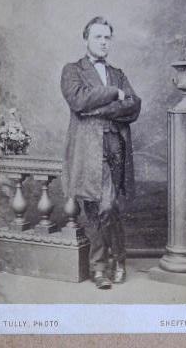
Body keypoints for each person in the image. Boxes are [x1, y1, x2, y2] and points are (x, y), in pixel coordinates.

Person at [61, 17, 141, 289]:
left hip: (115, 145)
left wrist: (100, 106)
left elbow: (133, 107)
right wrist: (113, 93)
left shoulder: (118, 72)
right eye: (98, 37)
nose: (104, 42)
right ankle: (104, 265)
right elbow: (78, 101)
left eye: (107, 37)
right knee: (100, 206)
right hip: (89, 148)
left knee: (111, 206)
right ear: (86, 39)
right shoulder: (72, 70)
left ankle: (113, 263)